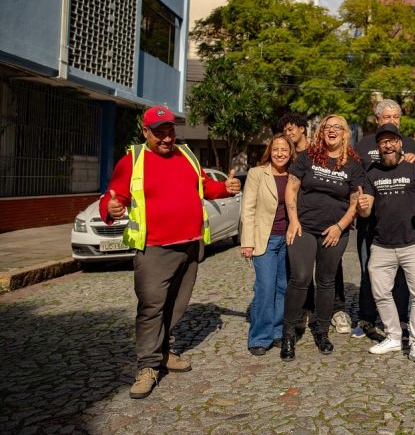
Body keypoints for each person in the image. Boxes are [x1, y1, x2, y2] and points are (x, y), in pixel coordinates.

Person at [101, 106, 240, 399]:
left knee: (176, 304)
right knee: (151, 306)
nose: (166, 138)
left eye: (170, 131)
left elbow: (204, 188)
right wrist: (111, 209)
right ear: (145, 132)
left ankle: (165, 351)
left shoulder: (187, 155)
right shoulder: (132, 160)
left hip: (189, 245)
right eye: (159, 133)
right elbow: (114, 198)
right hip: (154, 248)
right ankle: (147, 366)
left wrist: (225, 188)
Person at [281, 115, 364, 360]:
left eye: (337, 127)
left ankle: (321, 331)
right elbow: (291, 188)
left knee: (327, 281)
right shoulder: (307, 157)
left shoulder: (353, 164)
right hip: (304, 227)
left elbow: (355, 201)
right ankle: (287, 334)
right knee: (301, 277)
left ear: (345, 133)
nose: (332, 130)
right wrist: (293, 220)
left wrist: (340, 226)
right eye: (327, 127)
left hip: (335, 231)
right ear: (321, 132)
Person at [356, 123, 415, 368]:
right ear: (378, 147)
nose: (388, 145)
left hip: (413, 243)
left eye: (392, 140)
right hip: (381, 244)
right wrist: (362, 206)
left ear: (400, 143)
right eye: (383, 142)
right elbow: (367, 208)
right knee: (380, 293)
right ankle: (393, 336)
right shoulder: (372, 173)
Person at [351, 100, 415, 341]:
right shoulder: (363, 143)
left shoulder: (410, 144)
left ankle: (401, 320)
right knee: (368, 271)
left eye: (396, 117)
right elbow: (355, 177)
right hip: (369, 223)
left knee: (401, 275)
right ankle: (367, 319)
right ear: (377, 118)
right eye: (387, 116)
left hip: (401, 223)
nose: (392, 121)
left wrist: (413, 159)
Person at [240, 133, 296, 356]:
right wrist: (247, 243)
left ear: (290, 152)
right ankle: (259, 337)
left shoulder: (295, 175)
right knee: (264, 288)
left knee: (283, 288)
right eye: (276, 150)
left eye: (284, 150)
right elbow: (248, 209)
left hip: (289, 240)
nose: (280, 153)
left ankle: (277, 331)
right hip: (265, 239)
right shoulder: (257, 174)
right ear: (269, 152)